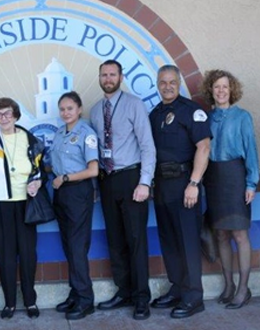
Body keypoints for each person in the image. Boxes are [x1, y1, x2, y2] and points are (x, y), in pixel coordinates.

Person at [89, 59, 156, 320]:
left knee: (136, 240)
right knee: (115, 240)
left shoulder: (134, 104)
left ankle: (141, 298)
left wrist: (145, 182)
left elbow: (148, 146)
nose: (108, 78)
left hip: (131, 179)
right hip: (107, 180)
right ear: (100, 78)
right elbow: (94, 151)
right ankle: (124, 291)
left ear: (121, 76)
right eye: (104, 75)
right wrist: (96, 184)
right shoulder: (95, 110)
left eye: (112, 74)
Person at [148, 64, 211, 319]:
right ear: (157, 84)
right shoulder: (154, 114)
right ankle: (177, 288)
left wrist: (194, 183)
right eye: (163, 82)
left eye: (172, 81)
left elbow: (204, 148)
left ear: (179, 81)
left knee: (187, 242)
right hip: (162, 185)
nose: (167, 86)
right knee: (170, 241)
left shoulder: (191, 111)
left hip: (186, 183)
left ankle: (194, 296)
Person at [0, 97, 45, 320]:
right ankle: (9, 303)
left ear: (15, 114)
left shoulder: (30, 139)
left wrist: (37, 182)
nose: (4, 118)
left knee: (27, 254)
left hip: (26, 203)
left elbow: (41, 169)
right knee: (5, 254)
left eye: (7, 113)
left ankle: (30, 301)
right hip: (0, 205)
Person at [200, 69, 259, 309]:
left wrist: (251, 183)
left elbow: (252, 150)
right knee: (221, 233)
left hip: (236, 176)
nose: (221, 91)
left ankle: (244, 288)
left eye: (225, 86)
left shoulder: (243, 116)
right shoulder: (206, 118)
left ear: (231, 89)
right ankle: (229, 285)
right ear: (210, 91)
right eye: (217, 87)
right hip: (213, 179)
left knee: (239, 234)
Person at [49, 91, 99, 320]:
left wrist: (67, 179)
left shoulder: (86, 134)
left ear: (79, 109)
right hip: (61, 194)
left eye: (70, 108)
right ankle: (75, 294)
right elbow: (55, 165)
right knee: (69, 246)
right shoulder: (59, 134)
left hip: (78, 193)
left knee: (78, 248)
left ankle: (86, 299)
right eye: (62, 109)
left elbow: (93, 170)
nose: (65, 112)